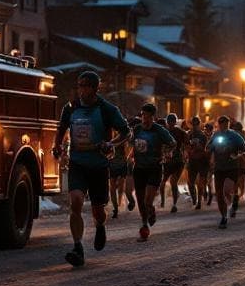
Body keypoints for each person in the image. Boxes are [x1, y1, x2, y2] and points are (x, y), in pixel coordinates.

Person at [52, 71, 130, 268]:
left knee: (98, 210)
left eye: (87, 86)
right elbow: (61, 128)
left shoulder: (107, 109)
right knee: (76, 202)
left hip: (98, 165)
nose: (82, 89)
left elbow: (125, 132)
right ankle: (78, 247)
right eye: (80, 85)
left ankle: (100, 226)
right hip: (77, 162)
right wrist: (58, 145)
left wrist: (110, 144)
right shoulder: (70, 108)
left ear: (96, 88)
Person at [129, 104, 173, 242]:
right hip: (139, 168)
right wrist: (129, 156)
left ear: (154, 117)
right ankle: (144, 225)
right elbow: (130, 143)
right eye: (143, 116)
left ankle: (151, 210)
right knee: (141, 201)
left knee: (148, 200)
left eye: (148, 116)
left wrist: (166, 153)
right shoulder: (136, 129)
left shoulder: (159, 130)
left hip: (154, 168)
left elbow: (172, 143)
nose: (145, 119)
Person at [206, 116, 245, 227]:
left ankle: (233, 201)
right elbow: (208, 148)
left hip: (231, 168)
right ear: (218, 124)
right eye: (221, 123)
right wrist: (210, 148)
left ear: (229, 124)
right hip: (219, 168)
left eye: (225, 123)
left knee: (226, 191)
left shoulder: (235, 135)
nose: (223, 125)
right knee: (219, 195)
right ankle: (224, 217)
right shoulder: (215, 135)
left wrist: (237, 155)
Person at [163, 114, 188, 213]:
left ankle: (174, 204)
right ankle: (162, 201)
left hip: (177, 160)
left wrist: (185, 154)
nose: (171, 124)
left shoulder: (180, 132)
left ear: (175, 122)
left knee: (173, 182)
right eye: (169, 122)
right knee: (162, 182)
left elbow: (186, 144)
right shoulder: (164, 132)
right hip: (166, 160)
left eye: (172, 122)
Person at [185, 116, 209, 209]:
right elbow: (186, 146)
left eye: (196, 124)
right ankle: (194, 199)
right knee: (190, 182)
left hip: (202, 161)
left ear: (199, 124)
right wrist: (188, 151)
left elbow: (207, 149)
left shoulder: (203, 135)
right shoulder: (189, 134)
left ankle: (199, 201)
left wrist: (200, 148)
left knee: (200, 183)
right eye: (193, 124)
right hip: (192, 161)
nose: (195, 126)